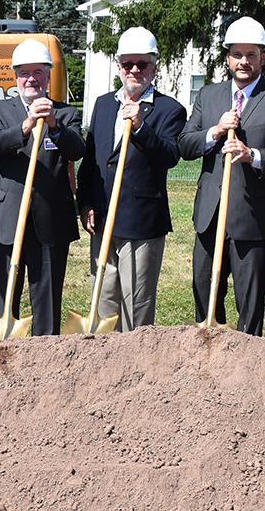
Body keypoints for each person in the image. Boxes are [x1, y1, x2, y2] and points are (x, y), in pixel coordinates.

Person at [178, 17, 265, 335]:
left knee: (249, 304)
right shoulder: (208, 96)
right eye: (237, 54)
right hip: (210, 215)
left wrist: (254, 155)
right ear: (228, 58)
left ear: (263, 57)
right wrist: (215, 131)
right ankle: (209, 352)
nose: (244, 61)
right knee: (204, 292)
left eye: (251, 54)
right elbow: (185, 144)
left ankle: (247, 359)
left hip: (253, 219)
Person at [77, 27, 185, 332]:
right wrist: (85, 203)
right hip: (103, 221)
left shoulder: (169, 110)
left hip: (140, 224)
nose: (135, 70)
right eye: (128, 64)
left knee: (135, 309)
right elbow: (91, 160)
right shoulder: (103, 104)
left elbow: (169, 156)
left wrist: (139, 127)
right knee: (103, 304)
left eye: (142, 63)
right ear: (119, 66)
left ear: (154, 66)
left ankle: (136, 360)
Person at [0, 39, 85, 336]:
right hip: (7, 218)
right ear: (16, 77)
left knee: (47, 299)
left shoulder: (66, 114)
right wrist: (27, 125)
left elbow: (78, 150)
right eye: (24, 72)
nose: (31, 79)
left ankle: (45, 352)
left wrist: (53, 125)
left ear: (48, 76)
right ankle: (4, 349)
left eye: (38, 72)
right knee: (5, 296)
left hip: (51, 219)